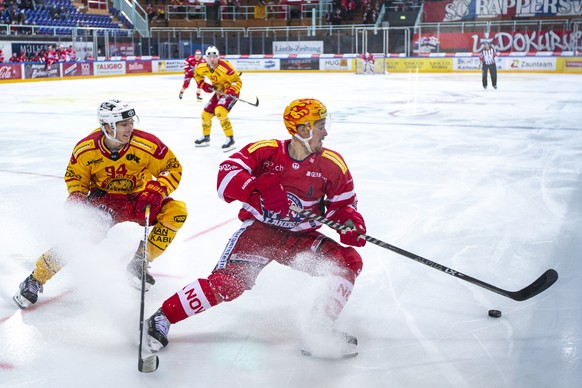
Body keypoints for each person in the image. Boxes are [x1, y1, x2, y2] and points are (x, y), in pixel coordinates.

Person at [146, 98, 366, 358]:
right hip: (260, 234)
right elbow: (225, 176)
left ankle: (317, 329)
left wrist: (350, 222)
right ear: (303, 129)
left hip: (301, 239)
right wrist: (256, 188)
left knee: (347, 262)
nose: (325, 132)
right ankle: (162, 318)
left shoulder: (332, 164)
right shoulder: (267, 151)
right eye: (320, 126)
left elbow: (343, 205)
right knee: (228, 283)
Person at [13, 99, 188, 309]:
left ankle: (140, 261)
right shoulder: (86, 149)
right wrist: (77, 197)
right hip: (105, 201)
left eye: (131, 122)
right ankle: (35, 278)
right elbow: (75, 178)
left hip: (139, 199)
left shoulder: (147, 144)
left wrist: (158, 188)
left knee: (176, 212)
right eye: (124, 124)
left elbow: (172, 167)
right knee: (80, 238)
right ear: (107, 126)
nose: (130, 127)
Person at [193, 46, 242, 152]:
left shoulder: (225, 67)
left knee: (220, 112)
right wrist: (203, 85)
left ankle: (230, 139)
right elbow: (197, 75)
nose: (212, 59)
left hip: (231, 93)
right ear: (206, 57)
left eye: (214, 56)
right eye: (209, 56)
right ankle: (206, 137)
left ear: (218, 57)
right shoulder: (201, 67)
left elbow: (237, 81)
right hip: (219, 92)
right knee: (205, 115)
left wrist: (231, 90)